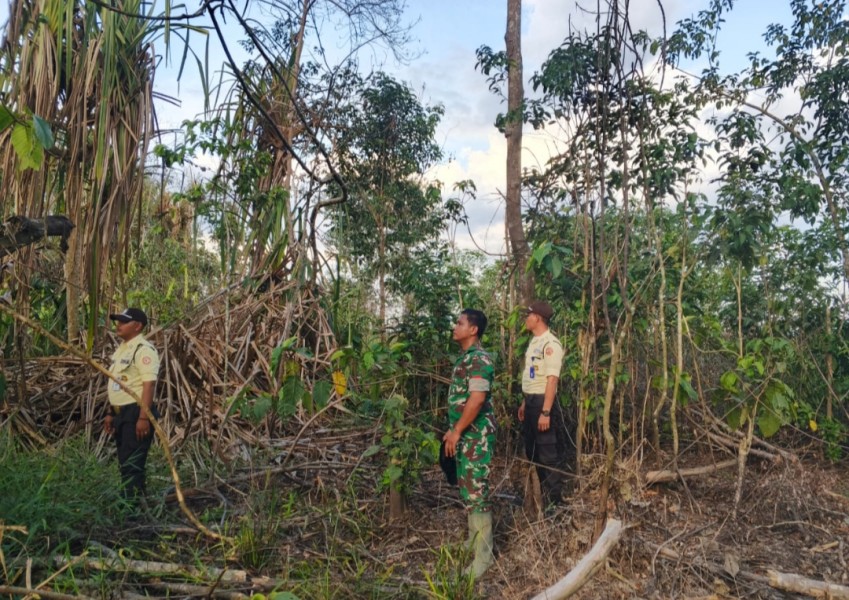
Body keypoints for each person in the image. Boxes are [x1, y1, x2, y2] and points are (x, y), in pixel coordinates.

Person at [442, 308, 497, 579]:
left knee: (477, 491)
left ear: (473, 330)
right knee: (467, 487)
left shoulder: (479, 359)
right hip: (465, 435)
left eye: (460, 323)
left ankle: (484, 556)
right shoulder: (466, 358)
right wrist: (454, 431)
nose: (455, 326)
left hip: (476, 437)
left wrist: (457, 431)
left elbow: (476, 400)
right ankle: (474, 541)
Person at [103, 307, 160, 507]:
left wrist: (143, 418)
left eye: (123, 321)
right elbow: (118, 382)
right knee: (126, 461)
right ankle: (135, 501)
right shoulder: (122, 350)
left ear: (137, 326)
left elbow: (148, 385)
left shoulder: (143, 350)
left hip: (136, 412)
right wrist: (111, 413)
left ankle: (131, 509)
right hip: (122, 414)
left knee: (132, 463)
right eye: (118, 320)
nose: (118, 324)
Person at [518, 300, 570, 509]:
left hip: (542, 403)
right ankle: (540, 499)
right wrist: (524, 402)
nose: (525, 319)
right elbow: (532, 375)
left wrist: (546, 412)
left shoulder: (551, 345)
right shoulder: (534, 342)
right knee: (532, 452)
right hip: (531, 401)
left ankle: (555, 504)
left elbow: (551, 380)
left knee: (547, 454)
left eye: (528, 315)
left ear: (537, 318)